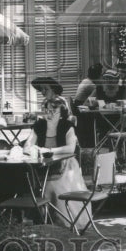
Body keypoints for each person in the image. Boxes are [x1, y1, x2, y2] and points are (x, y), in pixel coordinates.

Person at [23, 95, 91, 231]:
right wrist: (33, 149)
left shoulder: (67, 126)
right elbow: (27, 146)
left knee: (53, 185)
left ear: (62, 113)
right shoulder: (39, 125)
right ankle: (43, 220)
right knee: (33, 181)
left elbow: (70, 148)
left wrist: (48, 150)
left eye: (54, 111)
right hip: (43, 164)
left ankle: (65, 222)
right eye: (47, 110)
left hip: (66, 165)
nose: (50, 113)